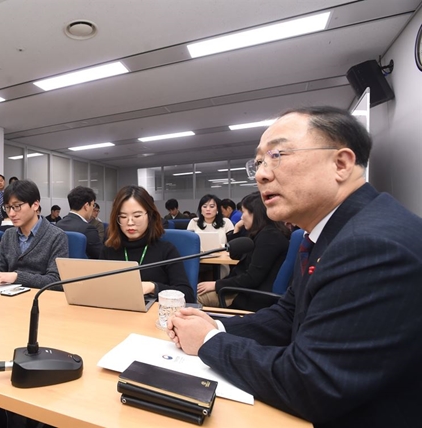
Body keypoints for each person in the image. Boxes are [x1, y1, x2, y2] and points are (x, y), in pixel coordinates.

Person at [167, 106, 422, 428]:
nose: (260, 174)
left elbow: (313, 384)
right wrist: (214, 326)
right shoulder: (329, 231)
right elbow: (290, 313)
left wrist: (208, 342)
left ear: (341, 164)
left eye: (277, 155)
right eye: (258, 162)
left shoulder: (372, 245)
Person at [196, 191, 290, 310]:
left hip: (246, 294)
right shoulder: (261, 233)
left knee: (192, 297)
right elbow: (236, 256)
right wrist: (236, 229)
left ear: (255, 213)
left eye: (243, 212)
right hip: (241, 288)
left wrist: (216, 284)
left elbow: (252, 278)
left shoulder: (269, 237)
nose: (241, 217)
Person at [102, 186, 195, 303]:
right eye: (123, 217)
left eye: (137, 216)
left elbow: (188, 296)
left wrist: (153, 287)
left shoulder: (166, 250)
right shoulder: (108, 250)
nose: (130, 222)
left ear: (150, 216)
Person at [0, 180, 68, 289]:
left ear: (35, 205)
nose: (11, 214)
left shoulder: (56, 236)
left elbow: (56, 280)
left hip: (40, 299)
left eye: (17, 206)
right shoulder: (9, 234)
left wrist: (17, 277)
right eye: (8, 208)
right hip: (9, 296)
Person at [55, 186, 103, 259]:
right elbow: (100, 257)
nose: (93, 209)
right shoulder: (89, 230)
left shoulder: (57, 225)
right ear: (86, 206)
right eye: (93, 205)